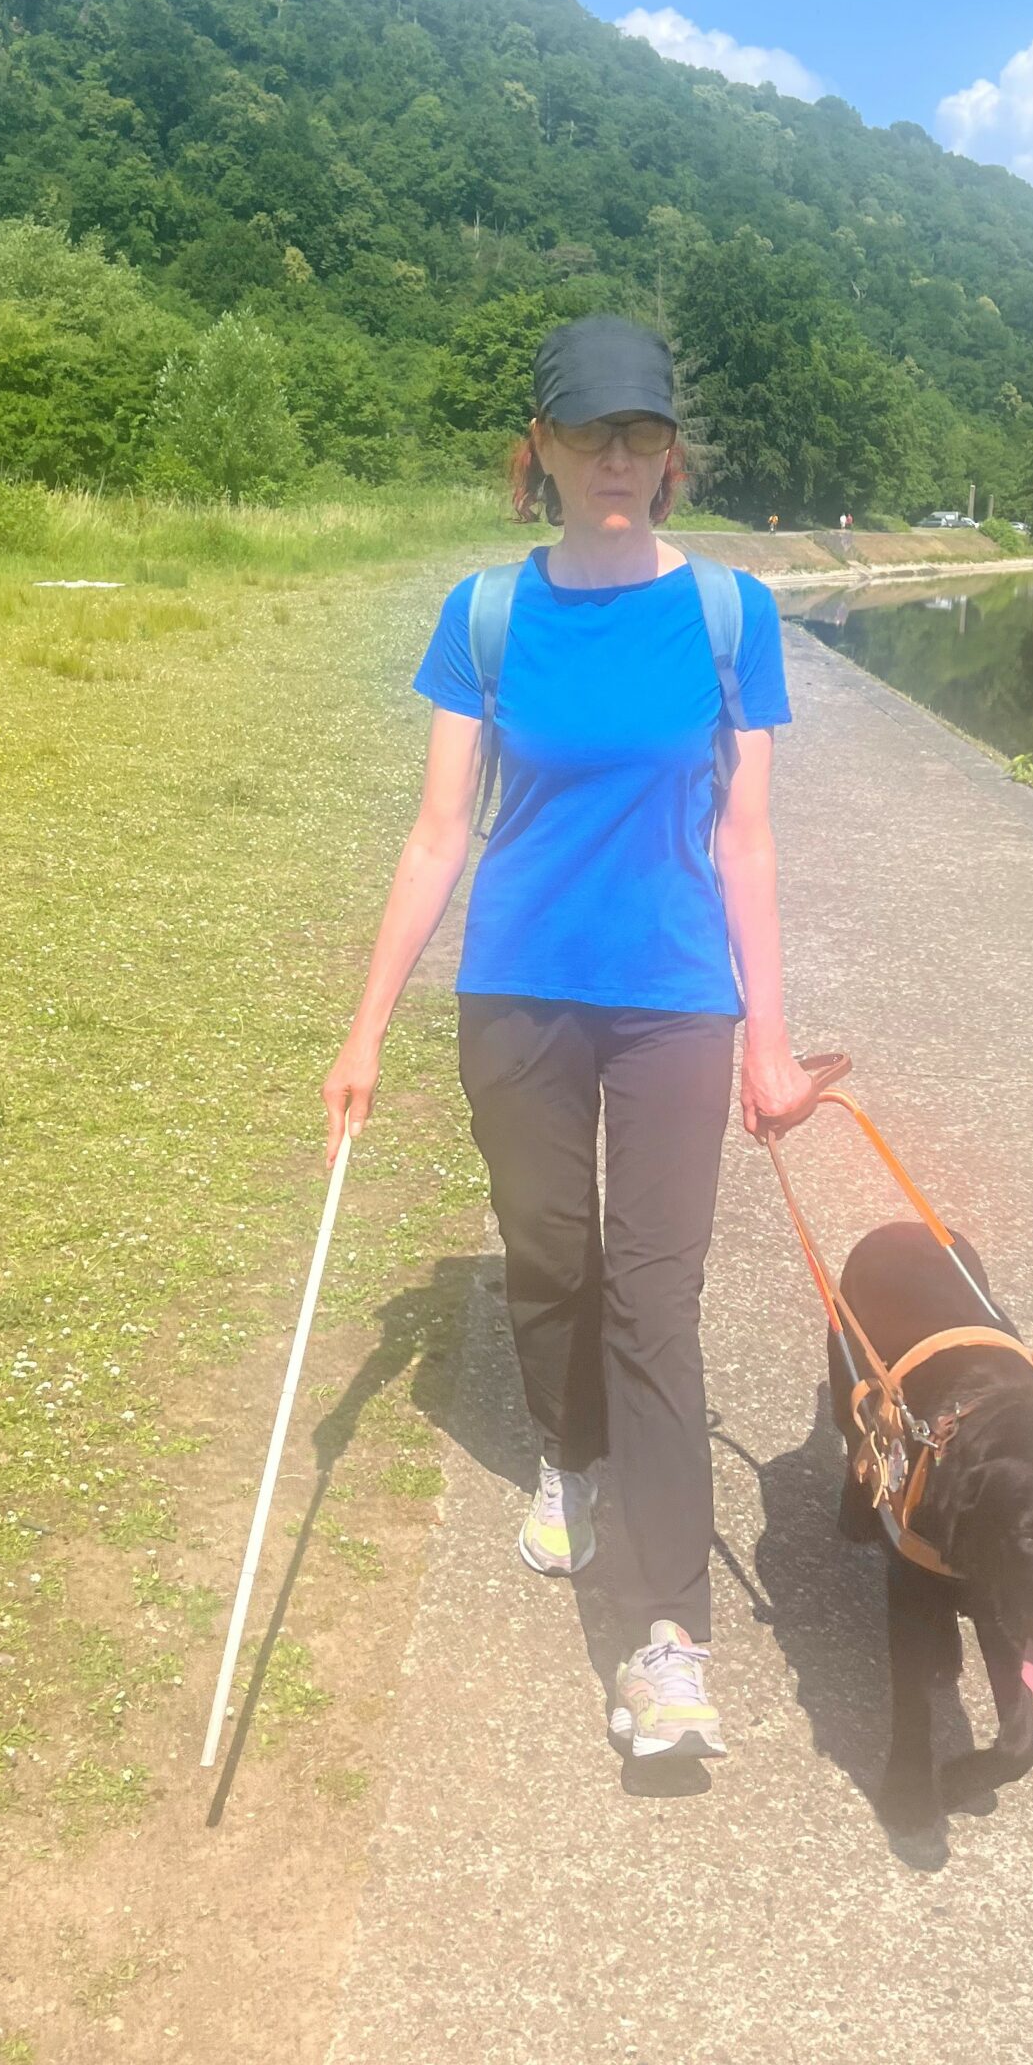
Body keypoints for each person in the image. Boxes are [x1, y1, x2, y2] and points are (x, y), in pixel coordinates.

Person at [322, 315, 811, 1766]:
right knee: (551, 1254)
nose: (618, 459)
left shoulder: (732, 614)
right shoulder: (485, 613)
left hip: (677, 1000)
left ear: (672, 454)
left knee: (657, 1296)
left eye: (641, 435)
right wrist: (362, 1032)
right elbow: (432, 838)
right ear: (537, 449)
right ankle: (570, 1453)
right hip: (518, 990)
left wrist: (772, 1042)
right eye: (590, 434)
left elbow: (748, 836)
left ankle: (667, 1642)